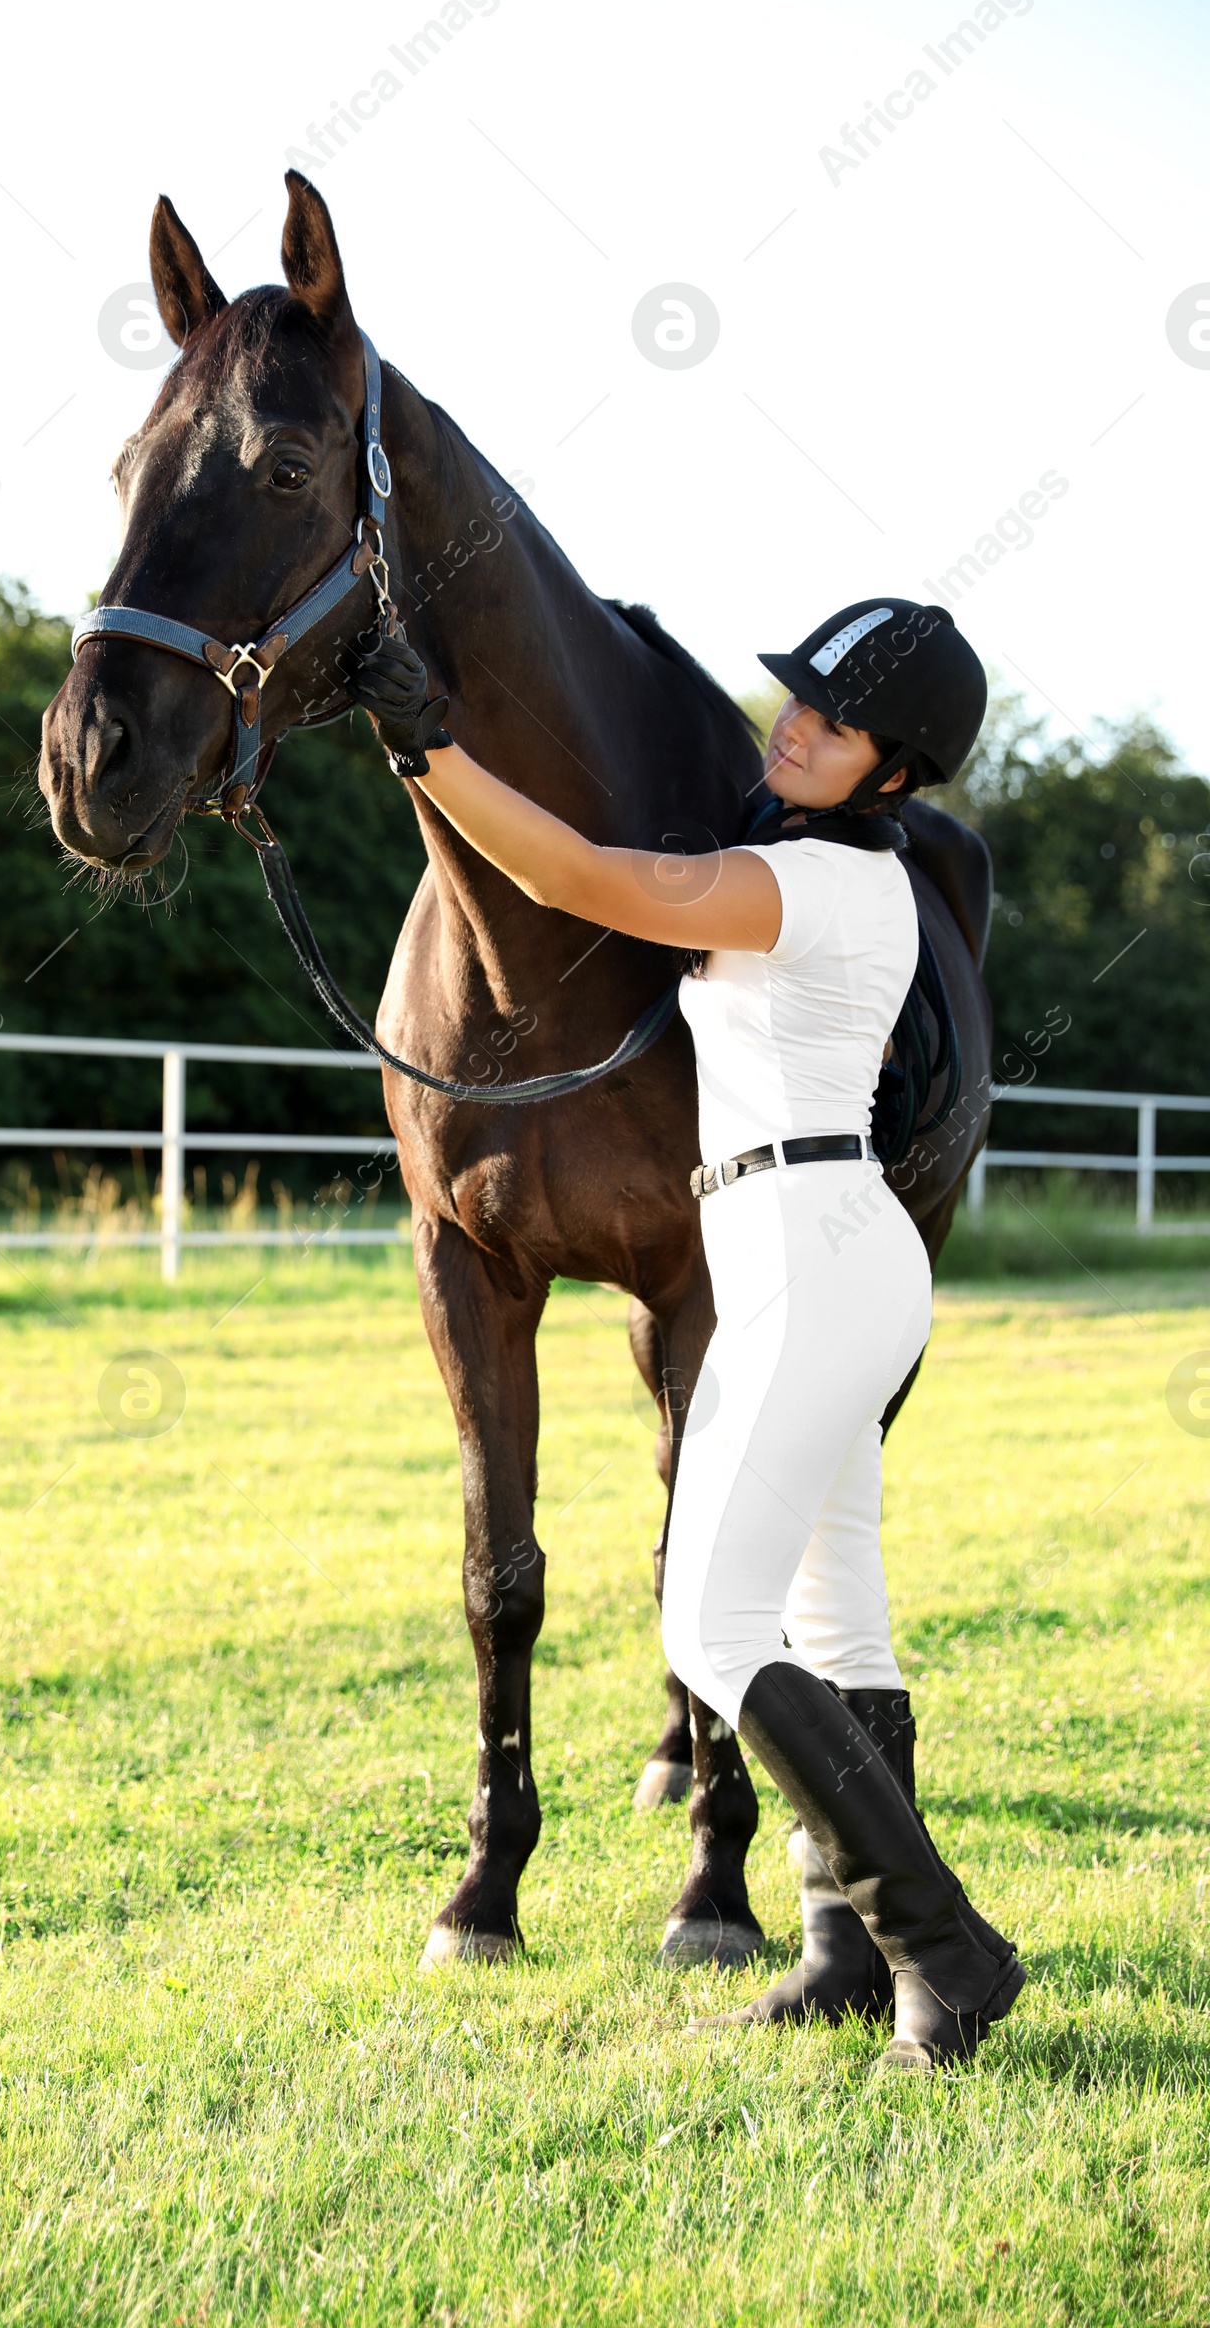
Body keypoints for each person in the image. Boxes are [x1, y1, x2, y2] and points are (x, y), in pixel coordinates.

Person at [347, 596, 1022, 2073]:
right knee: (838, 1619)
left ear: (895, 774)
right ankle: (845, 1952)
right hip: (802, 1244)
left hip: (813, 1253)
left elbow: (582, 875)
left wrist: (429, 747)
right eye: (793, 698)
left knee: (710, 1629)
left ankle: (947, 1950)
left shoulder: (816, 888)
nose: (792, 723)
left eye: (832, 723)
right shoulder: (803, 856)